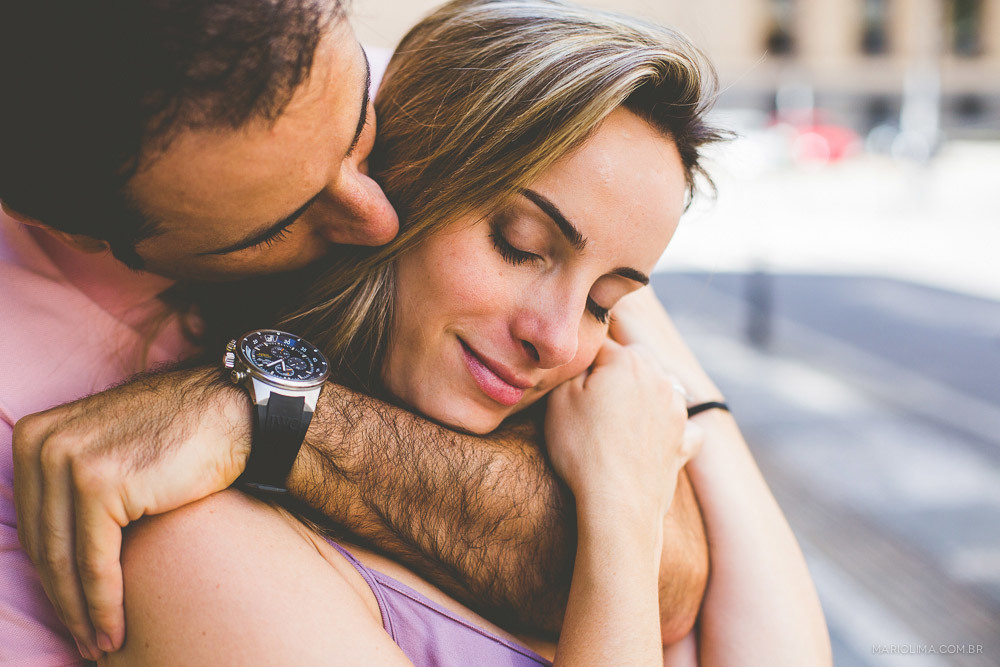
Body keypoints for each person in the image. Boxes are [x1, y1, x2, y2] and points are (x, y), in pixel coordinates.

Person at [102, 1, 831, 664]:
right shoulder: (207, 552)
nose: (555, 337)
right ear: (397, 179)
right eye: (519, 244)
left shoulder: (589, 444)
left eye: (605, 302)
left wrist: (649, 452)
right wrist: (621, 509)